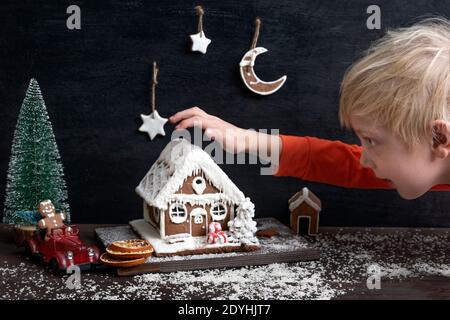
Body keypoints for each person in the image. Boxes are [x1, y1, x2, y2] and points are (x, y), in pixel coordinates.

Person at [170, 18, 450, 200]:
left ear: (439, 139)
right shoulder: (425, 159)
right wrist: (248, 140)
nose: (364, 159)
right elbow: (343, 163)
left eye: (373, 141)